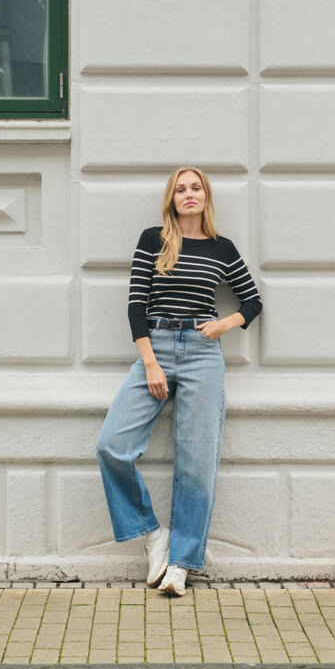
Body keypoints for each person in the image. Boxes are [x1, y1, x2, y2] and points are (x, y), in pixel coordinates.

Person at [96, 166, 263, 596]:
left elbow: (252, 300)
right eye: (181, 189)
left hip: (203, 354)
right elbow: (136, 305)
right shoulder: (153, 239)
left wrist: (222, 326)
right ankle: (154, 535)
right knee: (112, 445)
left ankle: (181, 565)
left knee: (197, 461)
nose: (189, 194)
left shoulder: (222, 248)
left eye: (197, 188)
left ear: (206, 197)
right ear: (171, 198)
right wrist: (150, 363)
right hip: (157, 346)